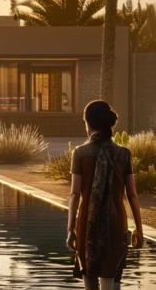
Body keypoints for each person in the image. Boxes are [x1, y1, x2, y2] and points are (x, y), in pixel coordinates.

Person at [68, 100, 143, 290]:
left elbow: (74, 194)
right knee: (112, 280)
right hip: (116, 225)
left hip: (87, 224)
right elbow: (132, 194)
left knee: (89, 279)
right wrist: (139, 229)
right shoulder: (124, 154)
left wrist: (70, 229)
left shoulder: (80, 153)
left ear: (88, 123)